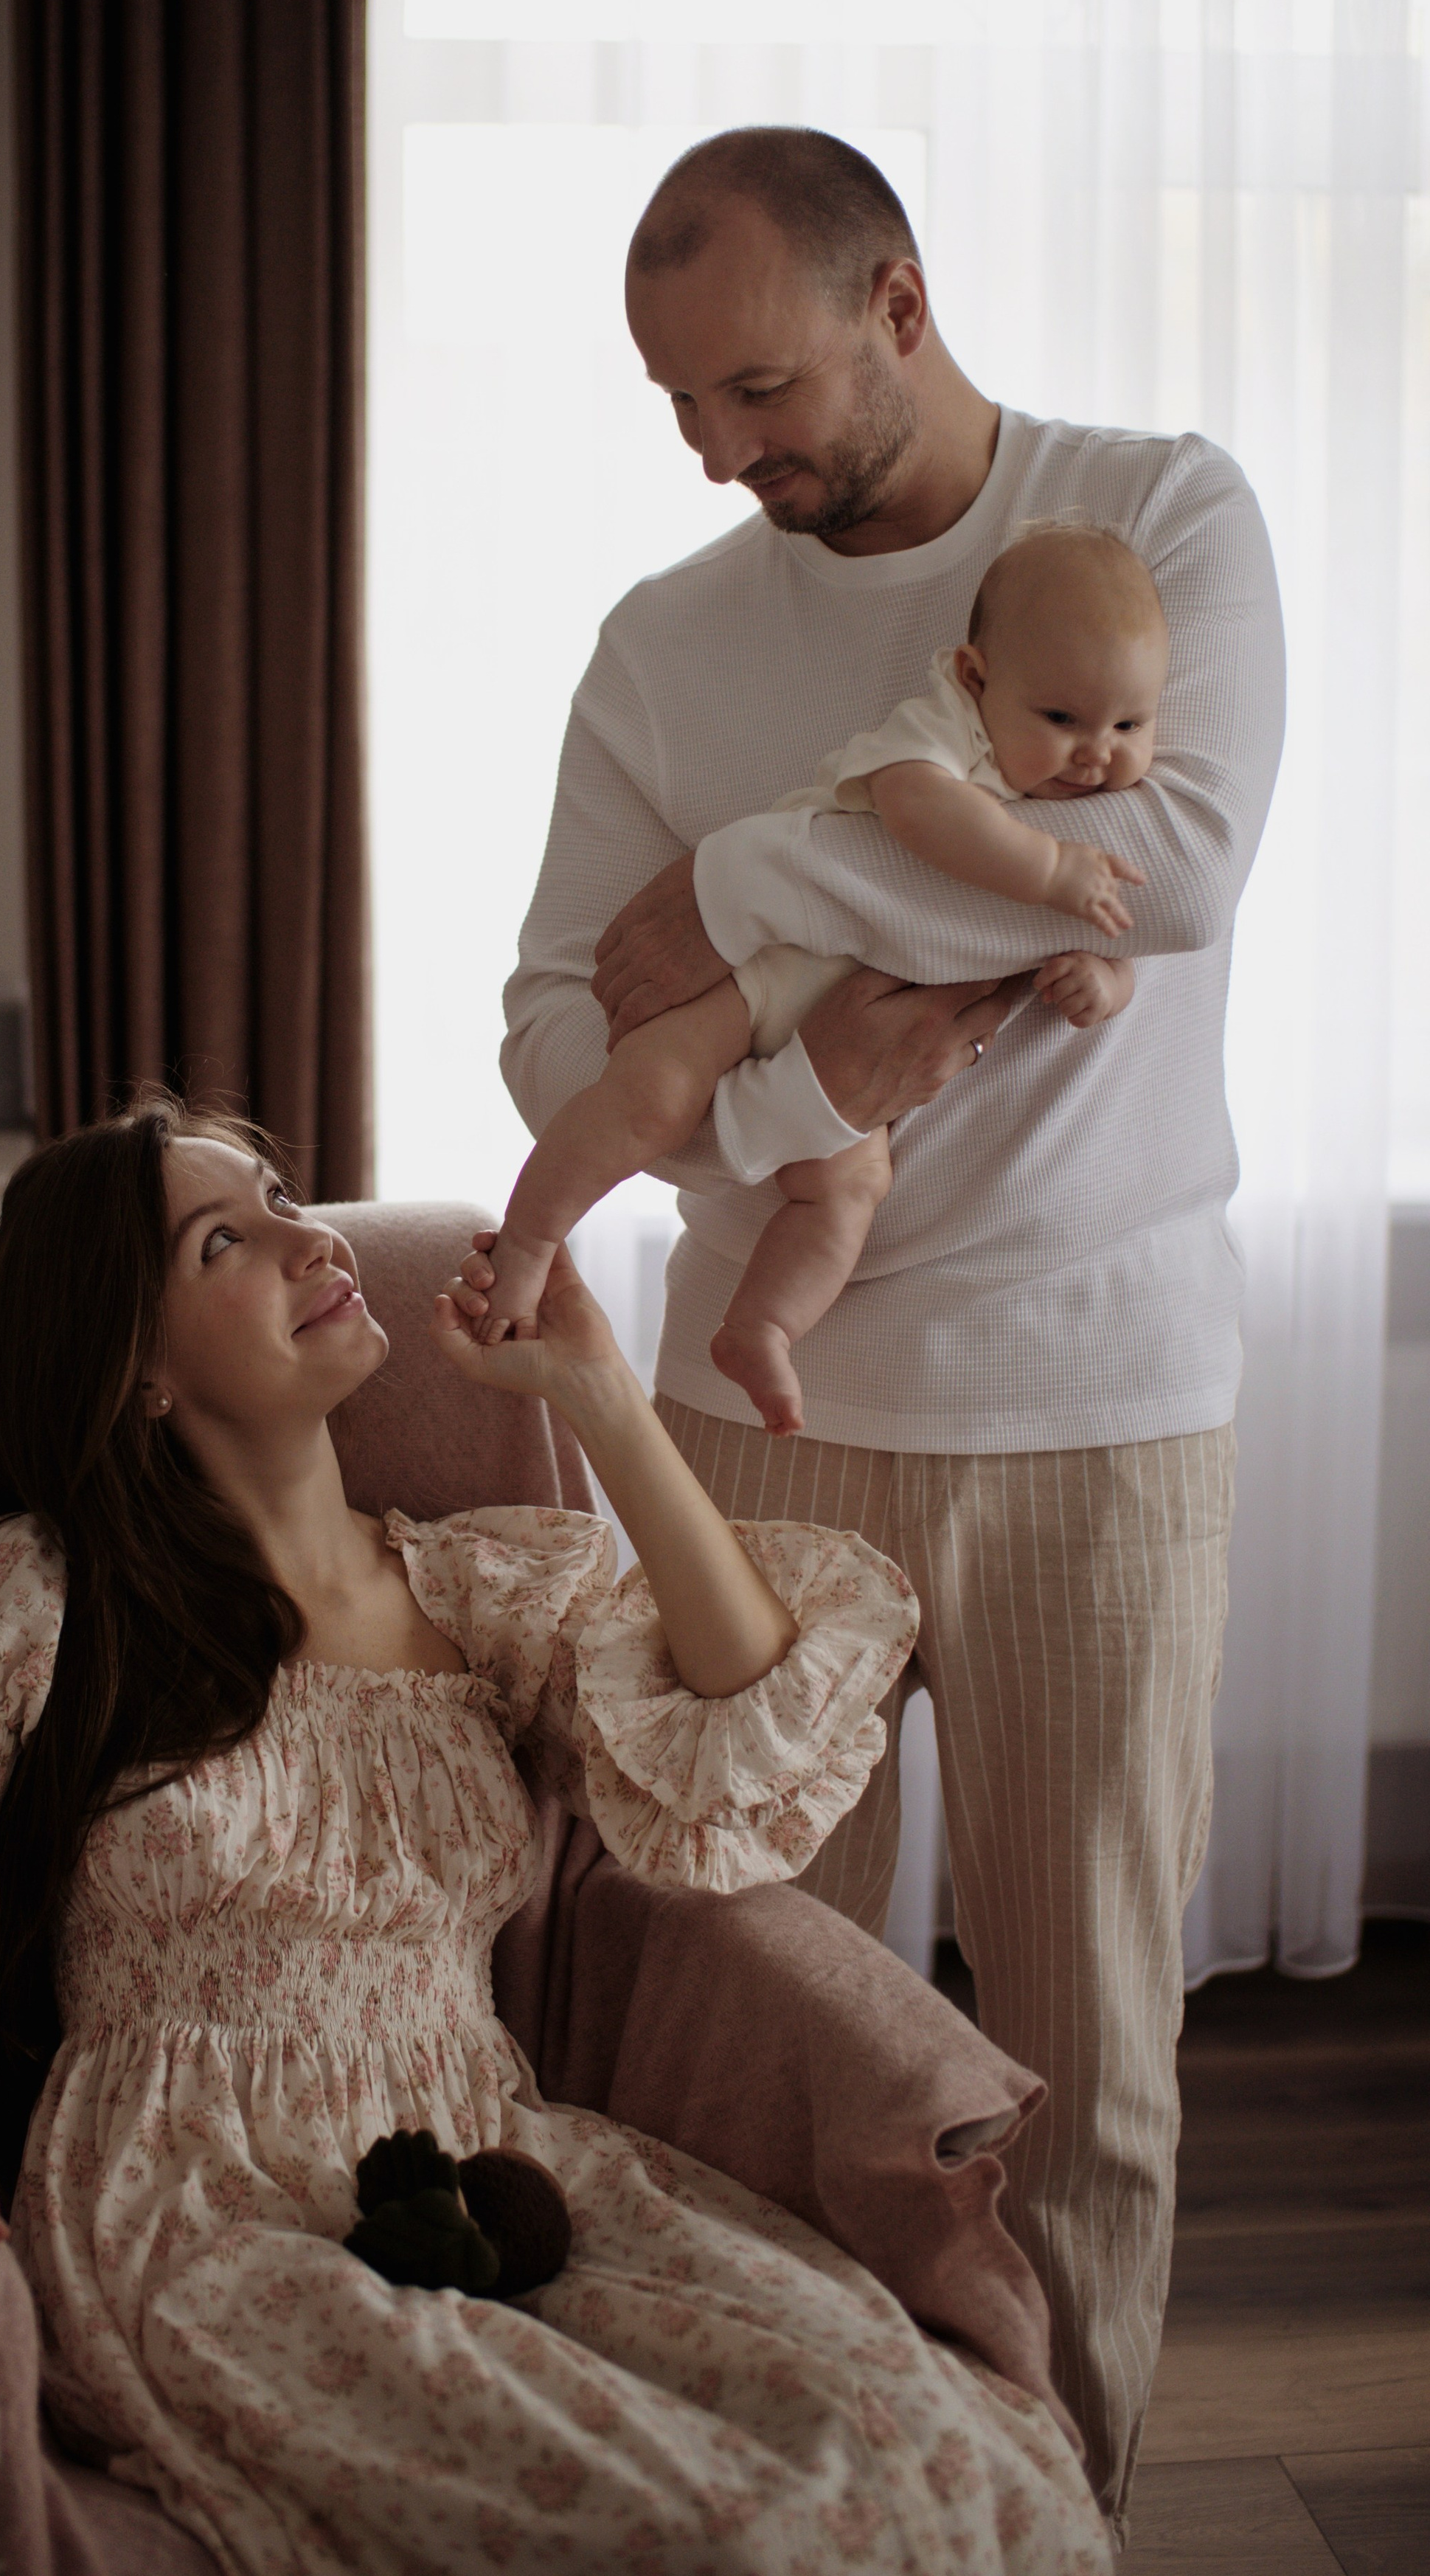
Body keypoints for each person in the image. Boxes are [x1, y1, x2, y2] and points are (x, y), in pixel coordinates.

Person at [0, 1092, 1109, 2576]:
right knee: (731, 2526)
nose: (306, 1233)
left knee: (907, 2433)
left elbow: (740, 1716)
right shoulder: (36, 1599)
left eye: (285, 1194)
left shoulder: (475, 1590)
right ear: (136, 1364)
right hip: (206, 2208)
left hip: (504, 2155)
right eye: (226, 1236)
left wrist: (598, 1396)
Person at [496, 125, 1283, 2531]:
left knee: (1082, 2060)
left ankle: (1066, 2518)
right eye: (678, 407)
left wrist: (757, 895)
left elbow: (1182, 867)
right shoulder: (666, 639)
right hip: (775, 1434)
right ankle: (820, 2521)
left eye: (754, 384)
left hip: (1099, 1405)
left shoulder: (1156, 517)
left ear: (901, 302)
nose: (724, 452)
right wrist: (784, 1092)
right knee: (759, 2044)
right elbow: (549, 1025)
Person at [479, 524, 1162, 1433]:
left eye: (1128, 726)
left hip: (856, 1078)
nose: (1095, 754)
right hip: (758, 979)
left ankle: (760, 1327)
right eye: (1063, 721)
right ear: (975, 676)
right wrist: (1044, 879)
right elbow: (917, 811)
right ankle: (528, 1241)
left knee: (846, 1192)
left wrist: (1099, 984)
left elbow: (1129, 947)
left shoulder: (1103, 824)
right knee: (650, 1097)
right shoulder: (945, 733)